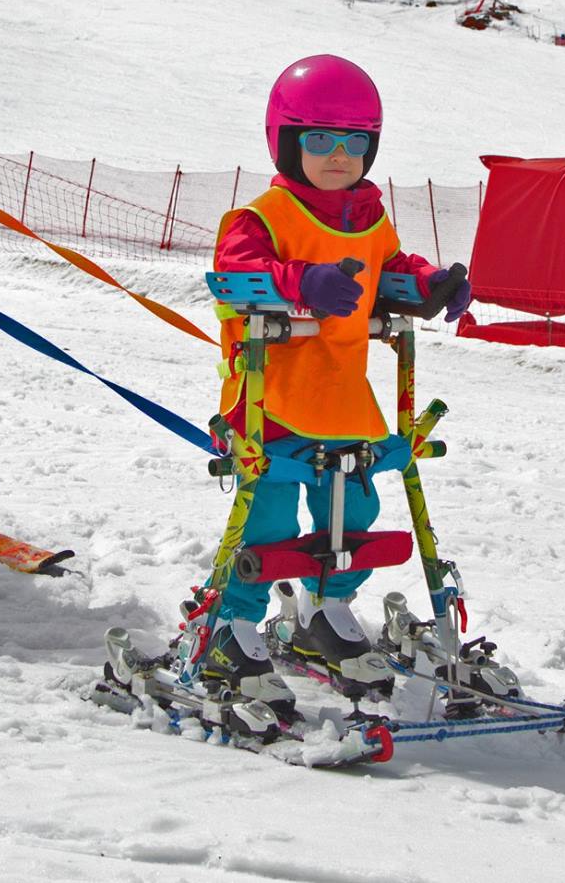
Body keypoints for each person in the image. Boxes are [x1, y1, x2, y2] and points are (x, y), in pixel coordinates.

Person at [195, 55, 472, 704]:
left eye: (355, 142)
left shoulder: (367, 218)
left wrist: (430, 285)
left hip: (343, 402)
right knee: (265, 518)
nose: (339, 155)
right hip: (270, 404)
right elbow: (233, 280)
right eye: (320, 139)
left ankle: (329, 612)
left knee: (356, 513)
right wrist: (301, 283)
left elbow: (389, 271)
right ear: (287, 141)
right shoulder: (262, 218)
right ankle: (232, 624)